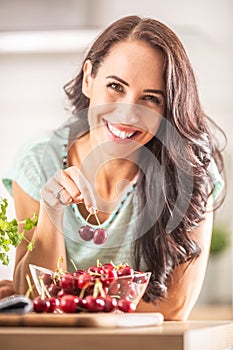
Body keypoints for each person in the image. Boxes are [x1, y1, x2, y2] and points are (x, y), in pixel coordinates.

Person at [2, 15, 225, 320]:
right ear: (88, 78)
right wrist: (51, 211)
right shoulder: (37, 162)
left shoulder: (191, 171)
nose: (127, 113)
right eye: (116, 87)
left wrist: (64, 297)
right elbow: (33, 294)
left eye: (150, 99)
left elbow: (175, 306)